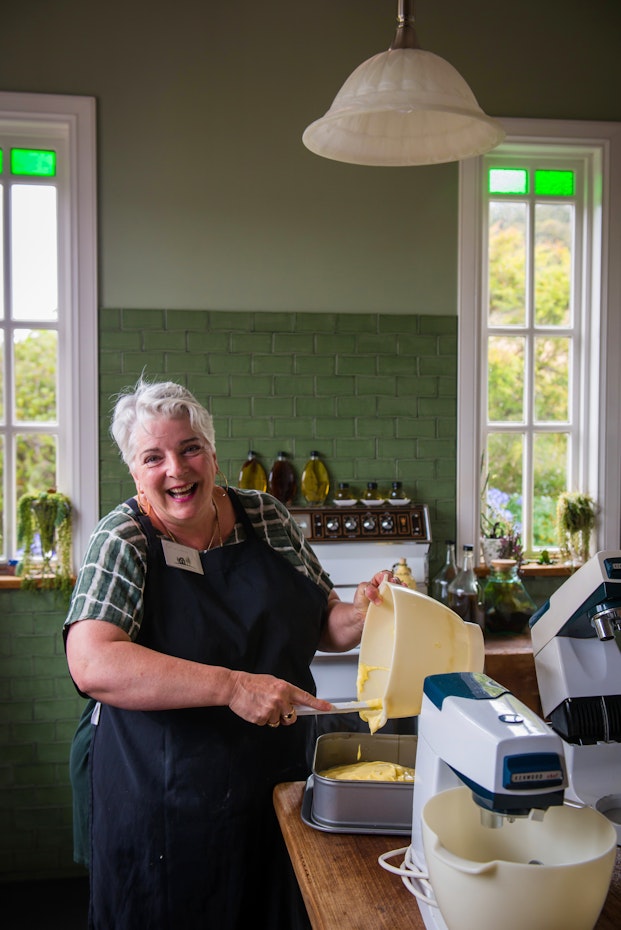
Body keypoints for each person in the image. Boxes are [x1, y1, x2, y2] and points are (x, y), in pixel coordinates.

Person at [64, 378, 400, 930]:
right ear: (135, 471)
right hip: (164, 794)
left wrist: (365, 611)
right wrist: (233, 686)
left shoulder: (265, 516)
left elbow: (326, 624)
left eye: (189, 448)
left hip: (273, 781)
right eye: (154, 456)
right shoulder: (122, 539)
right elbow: (93, 663)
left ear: (213, 456)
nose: (176, 468)